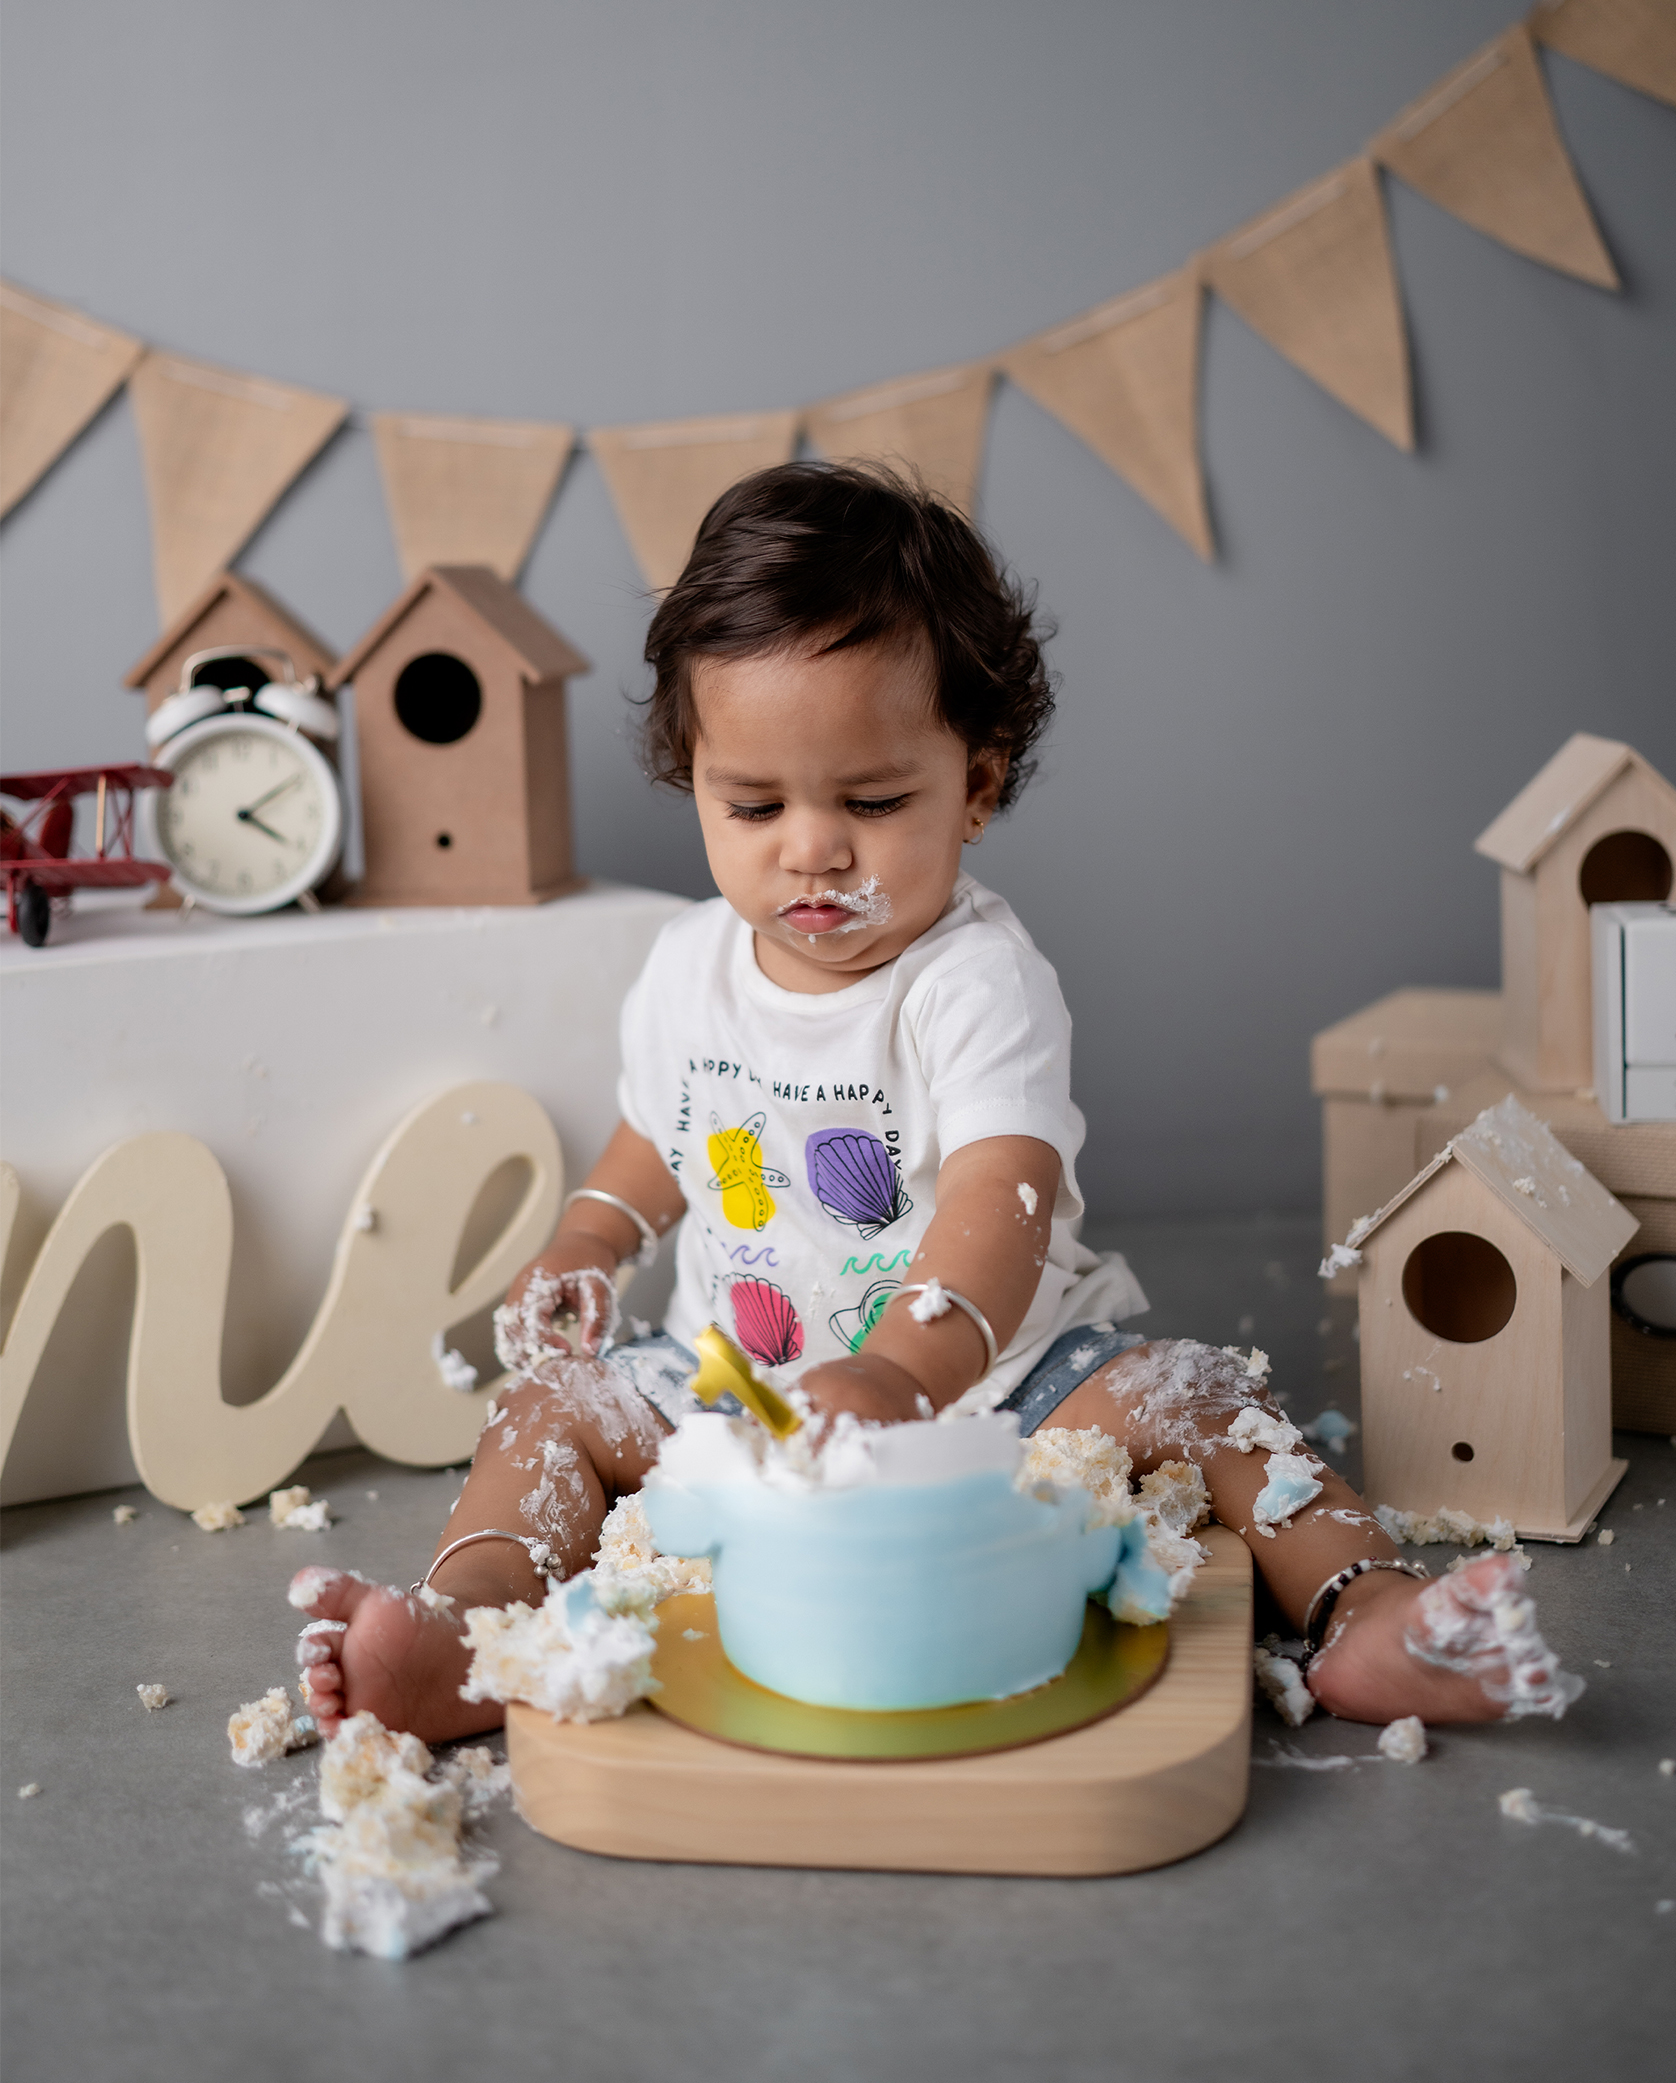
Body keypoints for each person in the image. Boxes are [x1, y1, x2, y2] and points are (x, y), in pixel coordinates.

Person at [293, 463, 1577, 1742]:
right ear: (692, 778)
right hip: (733, 1389)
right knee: (546, 1414)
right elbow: (660, 1133)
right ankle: (470, 1627)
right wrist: (589, 1238)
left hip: (996, 1394)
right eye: (753, 804)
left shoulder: (973, 980)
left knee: (1200, 1398)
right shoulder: (687, 966)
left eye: (873, 801)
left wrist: (909, 1369)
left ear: (975, 784)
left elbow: (997, 1195)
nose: (811, 848)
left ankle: (1367, 1611)